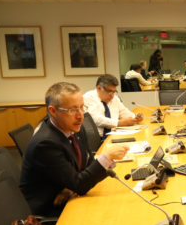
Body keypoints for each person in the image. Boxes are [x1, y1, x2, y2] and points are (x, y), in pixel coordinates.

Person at [20, 82, 128, 217]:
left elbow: (86, 165)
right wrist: (106, 157)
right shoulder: (45, 143)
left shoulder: (75, 128)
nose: (80, 115)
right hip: (51, 211)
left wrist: (72, 186)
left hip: (70, 197)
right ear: (53, 111)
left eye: (82, 107)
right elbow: (79, 184)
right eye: (72, 110)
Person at [83, 74, 143, 138]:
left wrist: (135, 117)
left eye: (114, 92)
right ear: (99, 88)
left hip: (113, 135)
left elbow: (124, 112)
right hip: (97, 139)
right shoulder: (88, 97)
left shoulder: (115, 99)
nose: (112, 95)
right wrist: (119, 123)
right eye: (109, 91)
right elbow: (96, 119)